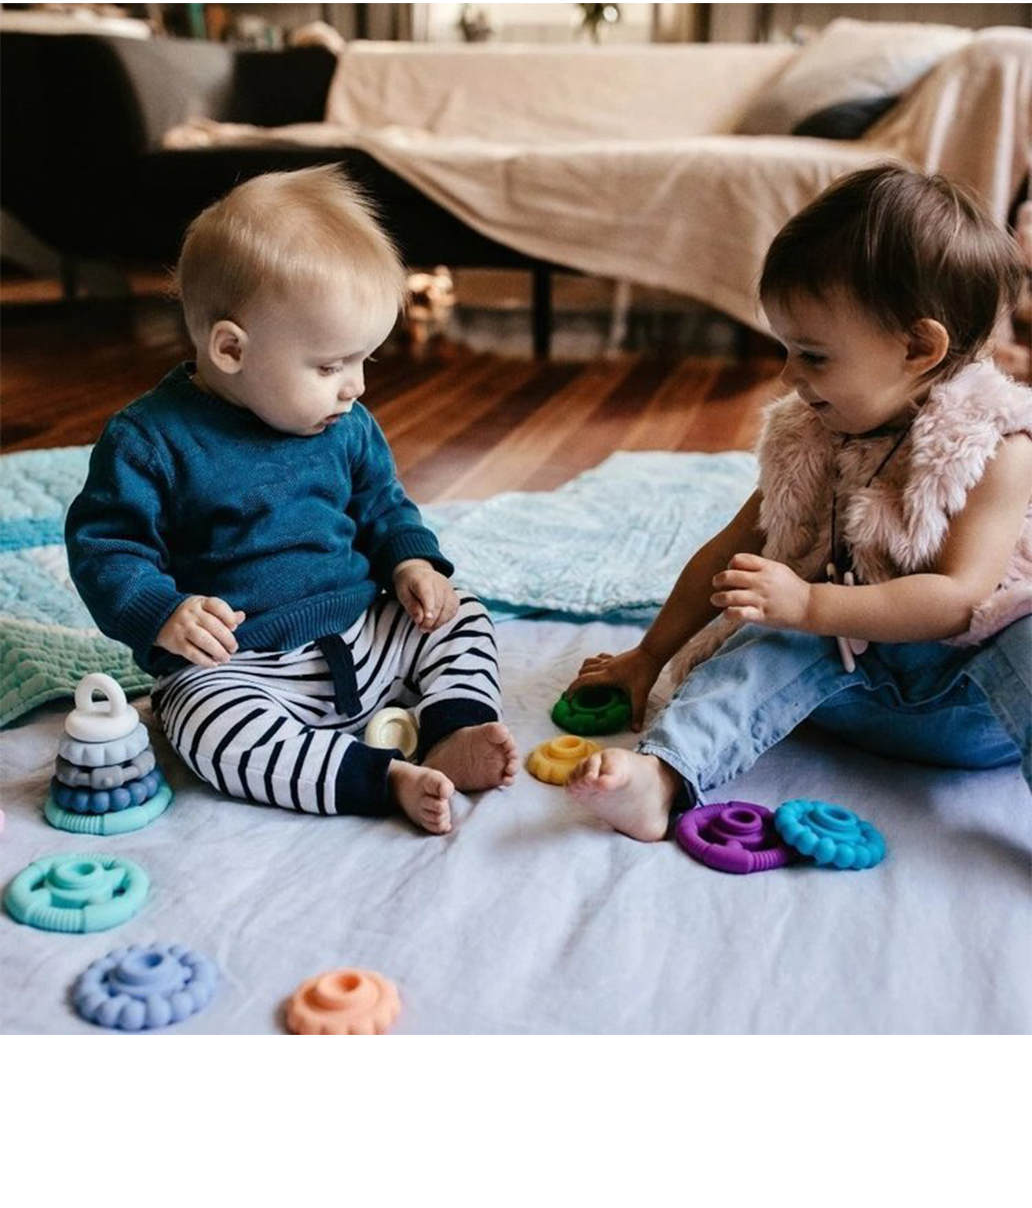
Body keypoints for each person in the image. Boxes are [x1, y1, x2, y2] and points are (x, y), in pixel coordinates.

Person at [566, 163, 1032, 840]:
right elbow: (732, 553)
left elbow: (959, 598)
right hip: (848, 682)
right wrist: (650, 654)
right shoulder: (810, 434)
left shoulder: (996, 446)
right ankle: (663, 777)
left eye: (813, 356)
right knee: (768, 629)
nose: (788, 376)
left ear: (918, 347)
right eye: (786, 349)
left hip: (972, 705)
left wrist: (813, 603)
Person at [66, 166, 517, 835]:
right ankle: (373, 778)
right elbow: (106, 545)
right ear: (230, 349)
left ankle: (452, 726)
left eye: (364, 361)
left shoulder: (345, 425)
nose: (355, 387)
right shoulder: (149, 441)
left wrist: (410, 565)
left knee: (463, 614)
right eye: (330, 366)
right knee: (203, 726)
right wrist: (164, 613)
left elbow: (382, 503)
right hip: (242, 667)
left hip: (364, 632)